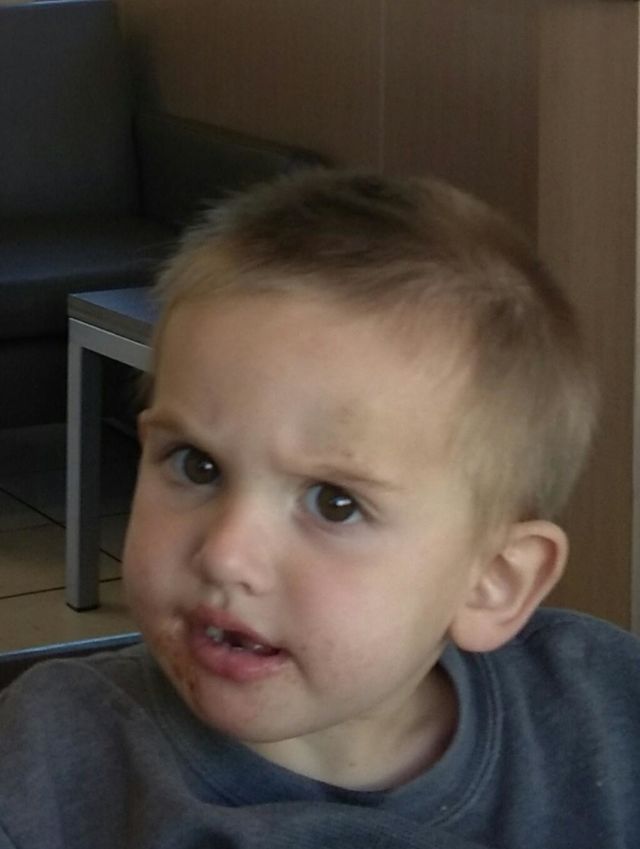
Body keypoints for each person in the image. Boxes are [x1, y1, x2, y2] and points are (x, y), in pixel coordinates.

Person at [0, 169, 638, 849]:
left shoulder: (605, 711)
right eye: (196, 464)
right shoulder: (52, 760)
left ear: (492, 581)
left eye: (335, 503)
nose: (226, 553)